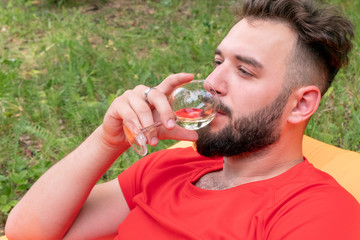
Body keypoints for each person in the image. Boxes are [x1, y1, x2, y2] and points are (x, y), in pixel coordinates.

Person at [5, 0, 360, 239]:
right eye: (219, 62)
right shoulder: (172, 166)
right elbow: (28, 233)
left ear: (300, 105)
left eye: (245, 71)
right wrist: (108, 141)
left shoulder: (316, 212)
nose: (212, 83)